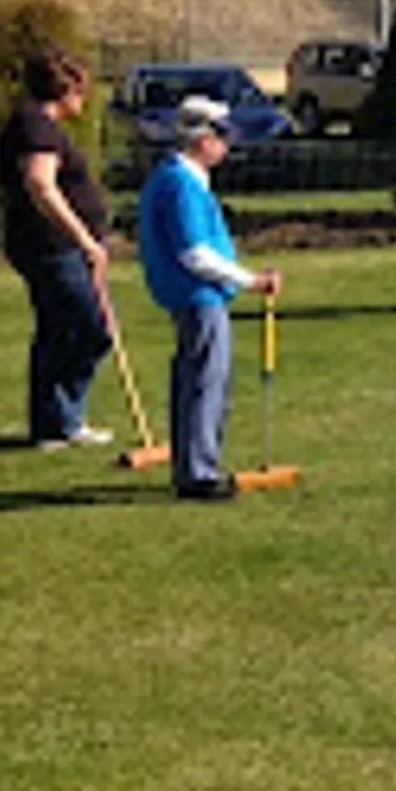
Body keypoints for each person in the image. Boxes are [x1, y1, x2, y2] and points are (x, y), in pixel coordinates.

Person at [138, 95, 283, 502]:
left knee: (200, 379)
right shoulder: (181, 184)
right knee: (206, 382)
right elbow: (195, 253)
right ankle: (199, 472)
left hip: (199, 296)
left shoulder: (180, 181)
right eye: (221, 135)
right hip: (198, 295)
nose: (227, 144)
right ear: (201, 138)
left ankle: (196, 462)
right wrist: (251, 280)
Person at [0, 46, 117, 450]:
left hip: (62, 247)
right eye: (80, 92)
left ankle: (62, 421)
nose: (83, 101)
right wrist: (84, 239)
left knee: (61, 329)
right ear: (64, 91)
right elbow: (40, 184)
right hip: (52, 247)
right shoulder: (36, 127)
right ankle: (56, 421)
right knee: (89, 328)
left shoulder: (39, 126)